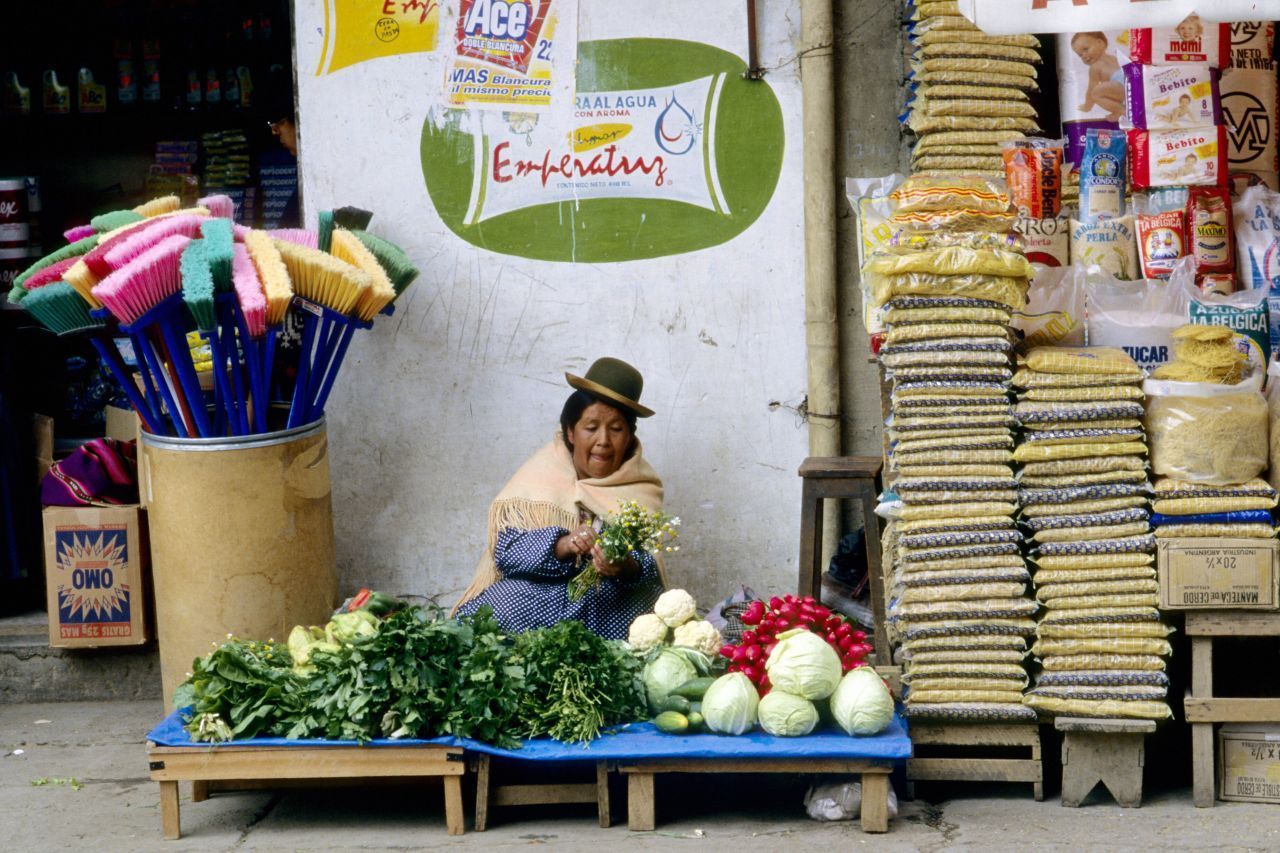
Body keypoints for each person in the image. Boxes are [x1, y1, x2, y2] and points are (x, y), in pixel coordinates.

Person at [454, 358, 666, 639]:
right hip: (539, 602)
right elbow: (506, 554)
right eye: (591, 428)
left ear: (629, 438)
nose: (603, 440)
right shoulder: (539, 474)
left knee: (649, 625)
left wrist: (625, 565)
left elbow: (652, 571)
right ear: (570, 432)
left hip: (612, 607)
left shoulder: (641, 488)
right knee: (491, 613)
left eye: (616, 429)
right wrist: (564, 545)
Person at [1071, 31, 1124, 121]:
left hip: (1123, 85)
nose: (1084, 56)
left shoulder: (1095, 66)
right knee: (1105, 89)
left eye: (1086, 49)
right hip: (1131, 84)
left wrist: (1087, 106)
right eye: (1080, 55)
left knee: (1095, 93)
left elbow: (1091, 88)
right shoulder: (1114, 57)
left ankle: (1121, 111)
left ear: (1100, 43)